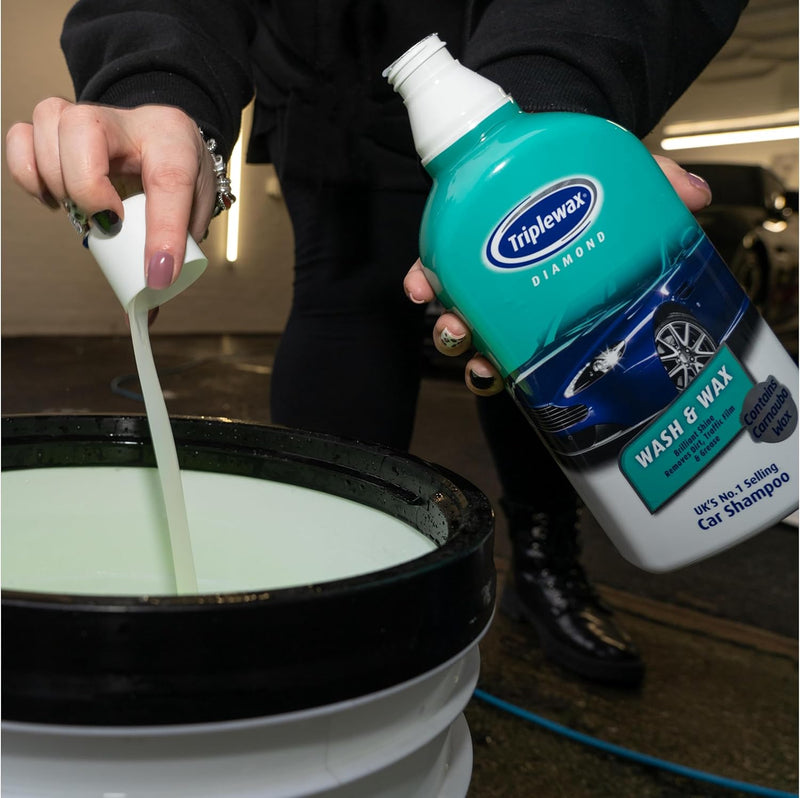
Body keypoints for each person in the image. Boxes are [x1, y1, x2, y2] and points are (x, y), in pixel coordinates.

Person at [6, 0, 746, 686]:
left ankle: (544, 552)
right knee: (344, 303)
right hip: (331, 98)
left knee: (541, 318)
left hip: (517, 58)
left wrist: (551, 103)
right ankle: (317, 576)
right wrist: (156, 85)